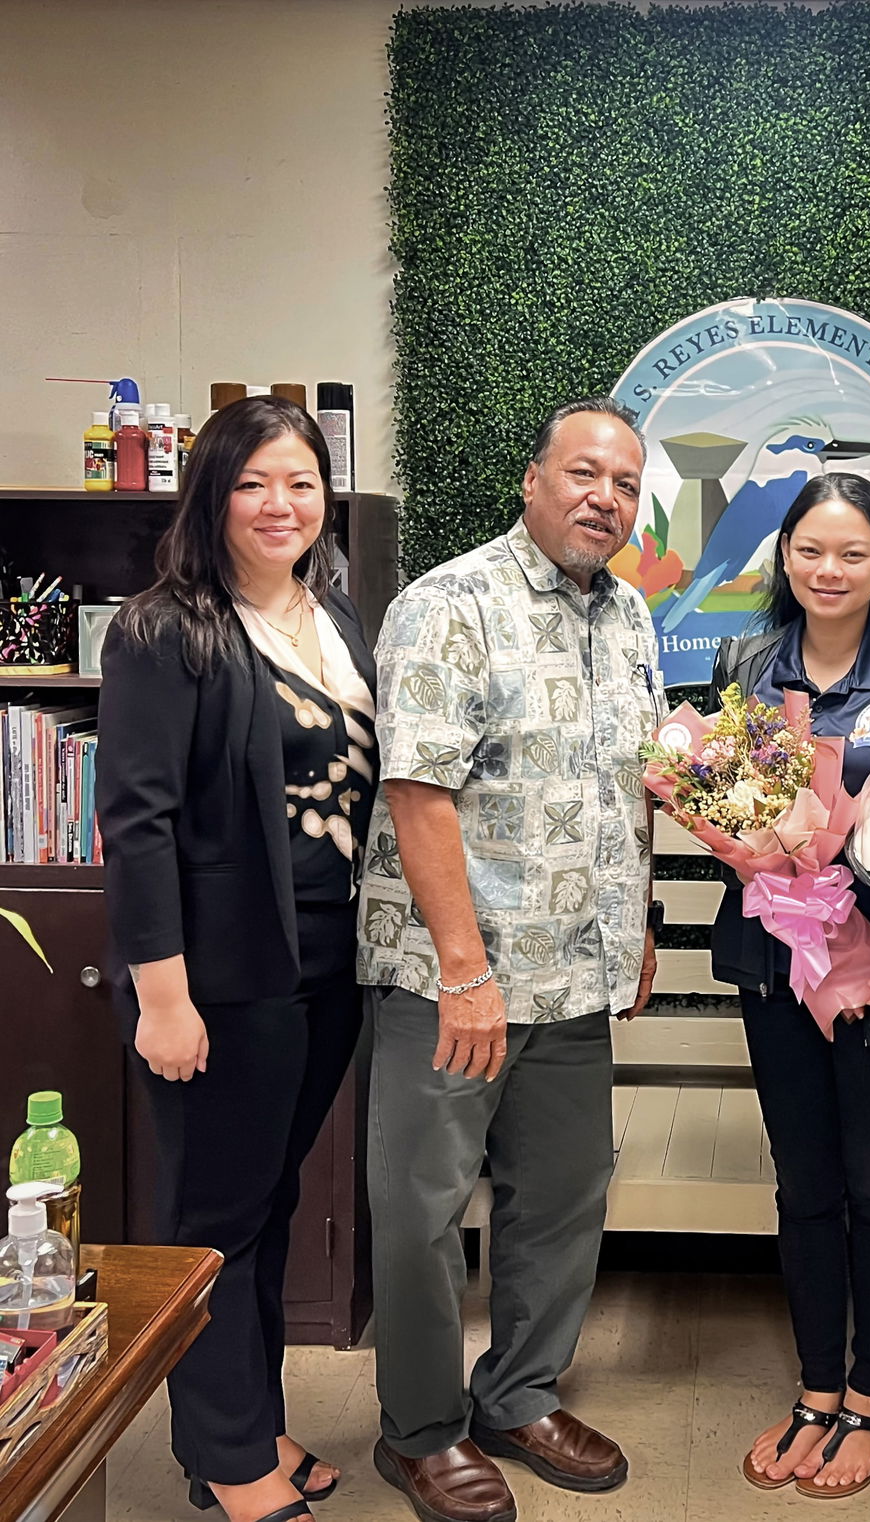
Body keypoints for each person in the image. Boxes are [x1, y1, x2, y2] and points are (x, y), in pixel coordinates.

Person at [356, 397, 660, 1522]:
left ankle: (519, 1394)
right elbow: (417, 791)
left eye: (625, 485)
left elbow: (630, 786)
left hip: (575, 973)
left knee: (564, 1199)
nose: (604, 499)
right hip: (455, 980)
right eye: (584, 474)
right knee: (424, 1210)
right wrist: (465, 969)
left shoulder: (629, 615)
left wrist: (638, 927)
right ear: (532, 481)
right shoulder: (451, 604)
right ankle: (421, 1430)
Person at [98, 396, 377, 1522]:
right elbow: (137, 822)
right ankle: (225, 1456)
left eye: (300, 482)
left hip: (326, 958)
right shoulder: (165, 628)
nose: (279, 504)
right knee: (216, 1219)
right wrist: (161, 998)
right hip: (217, 975)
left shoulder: (334, 614)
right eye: (254, 482)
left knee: (266, 1201)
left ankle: (245, 1425)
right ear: (211, 493)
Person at [710, 472, 870, 1500]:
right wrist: (764, 860)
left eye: (853, 552)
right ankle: (817, 1387)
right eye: (810, 550)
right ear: (785, 556)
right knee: (804, 1185)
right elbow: (724, 805)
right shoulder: (743, 663)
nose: (830, 569)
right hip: (776, 969)